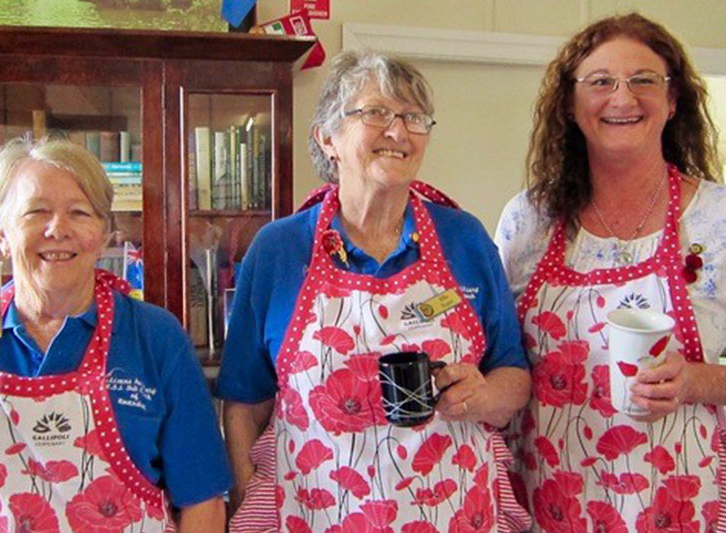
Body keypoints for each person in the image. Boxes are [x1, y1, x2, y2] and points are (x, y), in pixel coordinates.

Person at [216, 50, 532, 532]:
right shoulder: (279, 250)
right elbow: (244, 401)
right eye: (376, 113)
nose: (398, 131)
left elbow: (513, 374)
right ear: (329, 138)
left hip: (453, 512)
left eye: (413, 117)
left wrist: (483, 394)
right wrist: (246, 494)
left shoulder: (464, 239)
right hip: (313, 515)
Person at [0, 137, 232, 532]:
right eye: (36, 211)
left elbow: (202, 502)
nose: (59, 229)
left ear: (104, 234)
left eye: (79, 213)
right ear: (1, 231)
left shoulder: (154, 336)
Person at [494, 13, 726, 532]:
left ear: (672, 101)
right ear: (571, 106)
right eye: (600, 82)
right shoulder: (528, 220)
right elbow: (493, 354)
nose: (623, 98)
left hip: (681, 508)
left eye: (644, 80)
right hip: (546, 508)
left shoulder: (718, 220)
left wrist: (697, 381)